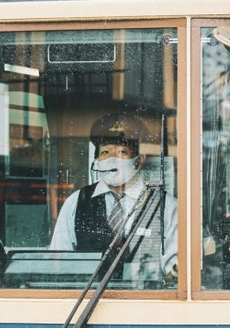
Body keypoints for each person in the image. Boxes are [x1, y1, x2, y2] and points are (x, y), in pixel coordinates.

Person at [50, 112, 179, 285]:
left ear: (140, 159)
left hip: (145, 304)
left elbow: (174, 271)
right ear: (96, 159)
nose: (112, 159)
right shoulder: (76, 202)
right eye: (105, 152)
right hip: (88, 303)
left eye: (121, 151)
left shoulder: (166, 206)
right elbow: (59, 263)